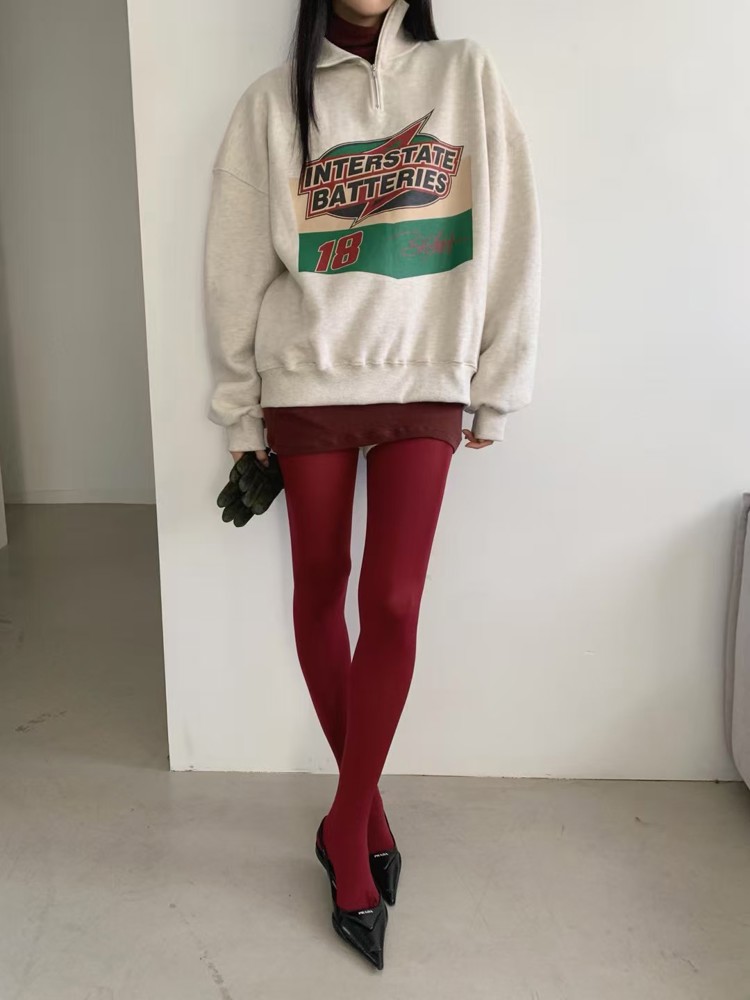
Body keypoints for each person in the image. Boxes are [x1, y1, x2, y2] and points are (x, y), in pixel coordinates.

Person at [204, 0, 541, 970]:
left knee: (391, 603)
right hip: (306, 379)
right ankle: (371, 817)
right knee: (322, 585)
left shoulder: (463, 74)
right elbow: (235, 267)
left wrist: (498, 383)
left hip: (425, 377)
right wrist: (239, 413)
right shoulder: (273, 104)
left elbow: (511, 230)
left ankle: (345, 827)